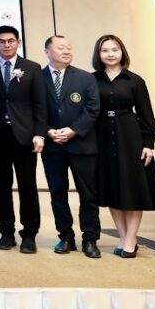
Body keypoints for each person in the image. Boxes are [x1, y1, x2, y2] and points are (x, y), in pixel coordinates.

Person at [91, 34, 155, 258]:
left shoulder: (135, 81)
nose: (110, 54)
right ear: (98, 54)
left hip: (130, 137)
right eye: (105, 50)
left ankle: (131, 239)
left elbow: (146, 115)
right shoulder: (91, 80)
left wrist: (149, 143)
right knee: (112, 189)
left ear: (122, 52)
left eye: (115, 49)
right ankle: (123, 236)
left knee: (133, 189)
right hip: (102, 137)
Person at [0, 25, 47, 254]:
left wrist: (39, 133)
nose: (7, 45)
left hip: (25, 135)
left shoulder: (32, 68)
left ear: (18, 42)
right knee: (2, 186)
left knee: (27, 185)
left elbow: (40, 104)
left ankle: (29, 234)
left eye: (11, 40)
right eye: (2, 41)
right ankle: (6, 232)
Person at [42, 35, 102, 258]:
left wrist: (73, 130)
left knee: (88, 194)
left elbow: (93, 108)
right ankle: (65, 236)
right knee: (58, 193)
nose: (66, 51)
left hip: (82, 145)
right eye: (60, 48)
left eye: (69, 47)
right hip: (52, 146)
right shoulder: (38, 78)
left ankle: (90, 239)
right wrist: (48, 131)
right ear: (47, 52)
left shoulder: (85, 78)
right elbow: (33, 109)